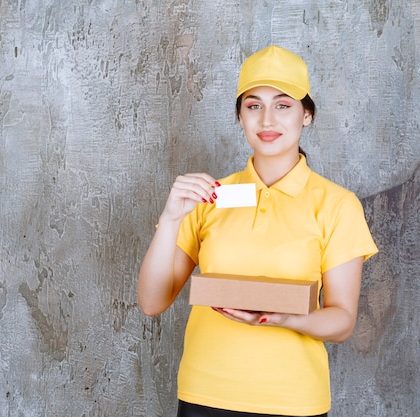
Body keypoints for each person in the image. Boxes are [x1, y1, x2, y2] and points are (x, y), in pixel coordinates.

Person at [138, 45, 378, 417]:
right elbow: (152, 302)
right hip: (205, 395)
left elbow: (343, 320)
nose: (267, 120)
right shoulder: (210, 196)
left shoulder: (337, 204)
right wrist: (170, 219)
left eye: (283, 105)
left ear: (307, 114)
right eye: (254, 106)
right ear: (240, 116)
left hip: (294, 400)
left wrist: (282, 319)